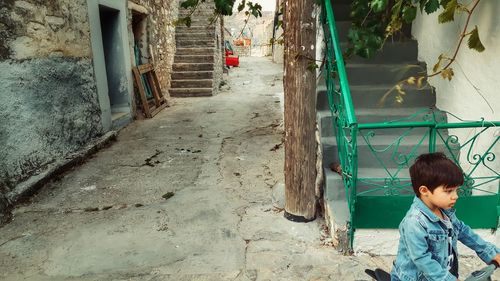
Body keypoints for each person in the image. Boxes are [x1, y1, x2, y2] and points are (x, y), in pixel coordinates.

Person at [391, 152, 500, 281]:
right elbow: (422, 259)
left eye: (456, 190)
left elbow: (463, 231)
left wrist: (490, 253)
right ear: (424, 191)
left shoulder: (445, 212)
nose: (455, 196)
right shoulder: (414, 222)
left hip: (445, 274)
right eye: (448, 191)